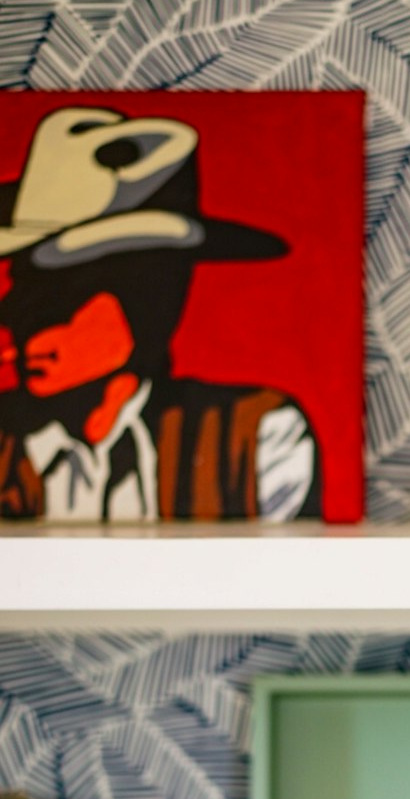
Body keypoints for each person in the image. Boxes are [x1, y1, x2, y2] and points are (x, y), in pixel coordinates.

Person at [0, 105, 319, 521]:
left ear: (147, 299)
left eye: (62, 297)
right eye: (22, 293)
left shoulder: (256, 436)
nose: (21, 323)